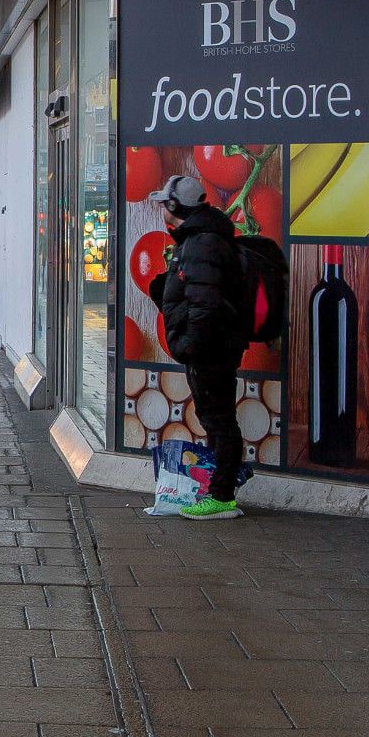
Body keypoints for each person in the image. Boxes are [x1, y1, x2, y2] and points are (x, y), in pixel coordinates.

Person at [146, 175, 251, 520]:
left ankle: (221, 497)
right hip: (213, 348)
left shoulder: (201, 243)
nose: (161, 207)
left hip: (210, 351)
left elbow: (205, 306)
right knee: (216, 419)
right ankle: (216, 490)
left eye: (164, 202)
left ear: (175, 206)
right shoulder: (200, 239)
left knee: (219, 420)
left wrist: (192, 348)